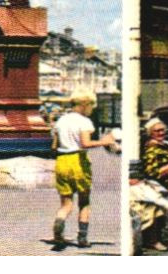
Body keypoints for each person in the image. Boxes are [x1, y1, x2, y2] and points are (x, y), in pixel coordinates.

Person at [49, 91, 114, 250]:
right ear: (84, 105)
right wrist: (104, 141)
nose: (92, 109)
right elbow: (85, 143)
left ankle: (60, 221)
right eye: (91, 106)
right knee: (84, 202)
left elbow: (54, 146)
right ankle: (82, 238)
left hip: (61, 161)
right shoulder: (85, 122)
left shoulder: (61, 121)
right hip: (78, 161)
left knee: (66, 203)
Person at [128, 159, 168, 254]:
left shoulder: (144, 181)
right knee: (151, 209)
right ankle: (153, 241)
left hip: (143, 195)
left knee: (162, 207)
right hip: (131, 199)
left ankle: (161, 239)